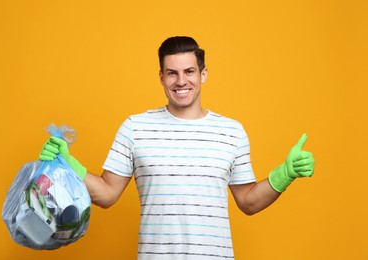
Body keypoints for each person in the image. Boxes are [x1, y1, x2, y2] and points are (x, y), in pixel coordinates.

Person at [40, 36, 315, 259]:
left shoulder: (232, 132)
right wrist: (68, 164)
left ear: (203, 74)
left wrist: (284, 174)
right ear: (161, 77)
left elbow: (248, 202)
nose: (181, 81)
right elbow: (107, 194)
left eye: (189, 71)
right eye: (172, 73)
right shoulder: (135, 127)